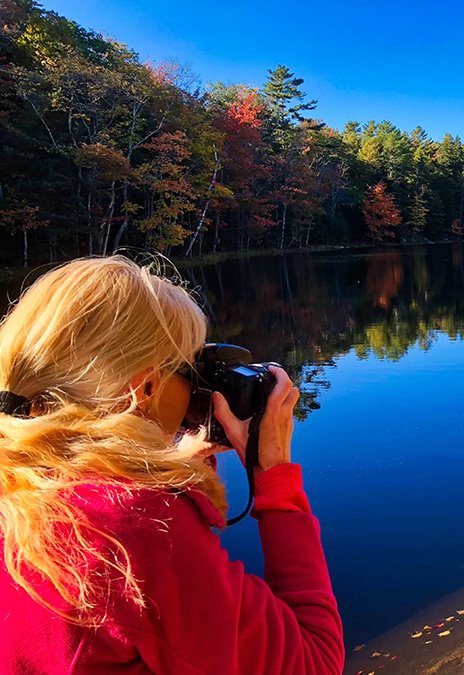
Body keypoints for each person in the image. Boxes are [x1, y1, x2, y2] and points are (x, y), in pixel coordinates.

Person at [0, 256, 344, 674]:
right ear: (146, 387)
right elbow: (315, 662)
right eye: (191, 369)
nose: (198, 385)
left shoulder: (24, 488)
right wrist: (274, 478)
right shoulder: (130, 526)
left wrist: (169, 459)